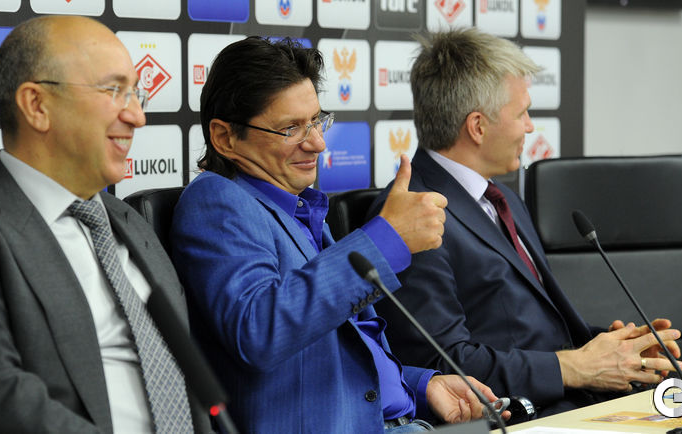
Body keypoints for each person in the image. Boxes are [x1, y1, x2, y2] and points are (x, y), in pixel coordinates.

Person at [170, 36, 505, 433]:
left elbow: (334, 351)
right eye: (290, 128)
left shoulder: (295, 206)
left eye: (316, 120)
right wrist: (387, 239)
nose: (318, 143)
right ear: (225, 137)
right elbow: (259, 331)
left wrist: (419, 386)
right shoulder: (217, 200)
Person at [366, 27, 682, 417]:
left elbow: (537, 332)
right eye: (522, 113)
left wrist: (620, 350)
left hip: (571, 404)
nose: (530, 126)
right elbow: (441, 366)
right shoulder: (412, 215)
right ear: (478, 126)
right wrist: (575, 367)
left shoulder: (503, 199)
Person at [0, 16, 210, 433]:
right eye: (114, 90)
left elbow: (187, 380)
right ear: (37, 106)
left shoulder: (130, 221)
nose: (137, 116)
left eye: (136, 94)